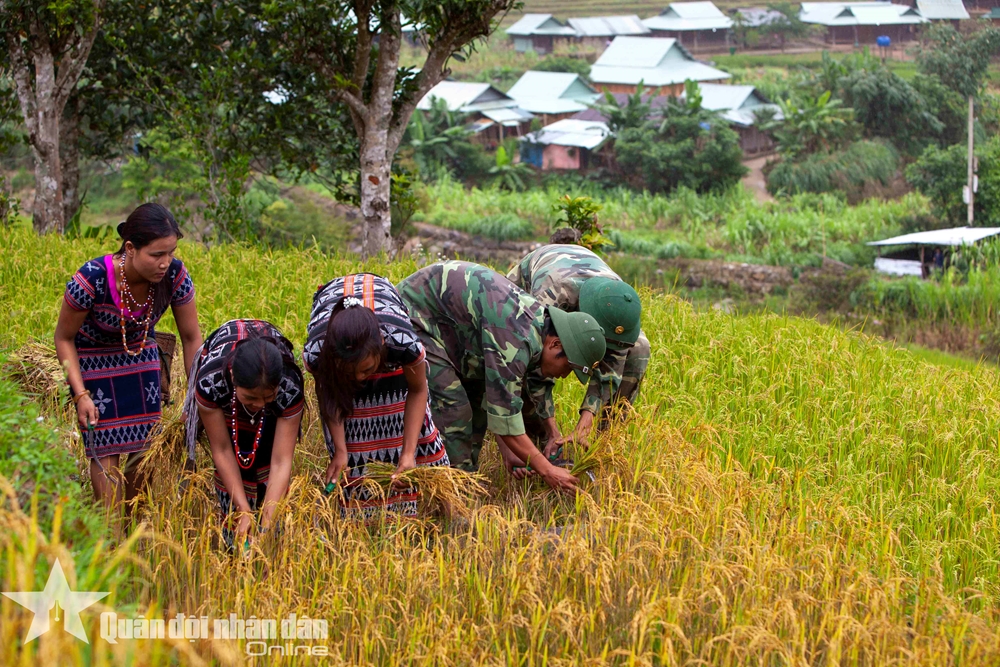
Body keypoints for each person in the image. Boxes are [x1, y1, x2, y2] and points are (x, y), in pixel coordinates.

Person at [397, 261, 606, 493]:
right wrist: (548, 471)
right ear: (555, 344)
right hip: (414, 314)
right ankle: (455, 491)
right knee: (455, 410)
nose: (564, 376)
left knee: (476, 407)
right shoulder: (517, 340)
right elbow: (507, 422)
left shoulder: (536, 328)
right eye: (568, 367)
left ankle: (465, 479)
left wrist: (509, 452)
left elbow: (496, 399)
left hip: (450, 327)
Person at [55, 203, 202, 508]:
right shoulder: (91, 279)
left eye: (171, 252)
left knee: (144, 451)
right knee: (104, 452)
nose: (165, 263)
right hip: (92, 363)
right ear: (131, 248)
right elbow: (64, 338)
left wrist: (194, 397)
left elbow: (191, 338)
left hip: (140, 358)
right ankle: (110, 532)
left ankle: (136, 526)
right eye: (156, 255)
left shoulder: (175, 275)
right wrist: (80, 395)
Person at [303, 274, 449, 520]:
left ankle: (441, 516)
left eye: (367, 369)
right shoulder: (319, 353)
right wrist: (341, 451)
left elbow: (417, 390)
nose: (360, 378)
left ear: (382, 344)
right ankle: (364, 520)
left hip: (386, 331)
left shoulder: (402, 342)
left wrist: (408, 453)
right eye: (350, 373)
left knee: (416, 432)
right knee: (352, 448)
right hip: (340, 347)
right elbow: (330, 395)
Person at [507, 244, 648, 456]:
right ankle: (535, 439)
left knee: (640, 348)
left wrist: (585, 423)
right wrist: (552, 429)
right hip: (531, 284)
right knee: (525, 357)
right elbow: (536, 363)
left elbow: (611, 370)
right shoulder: (552, 295)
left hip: (592, 290)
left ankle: (603, 444)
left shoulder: (618, 305)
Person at [188, 320, 304, 550]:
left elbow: (281, 461)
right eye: (250, 398)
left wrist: (266, 525)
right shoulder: (211, 382)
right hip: (226, 403)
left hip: (270, 414)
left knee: (272, 517)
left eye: (267, 397)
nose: (259, 405)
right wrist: (243, 510)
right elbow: (222, 450)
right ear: (233, 377)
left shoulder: (288, 385)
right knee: (234, 505)